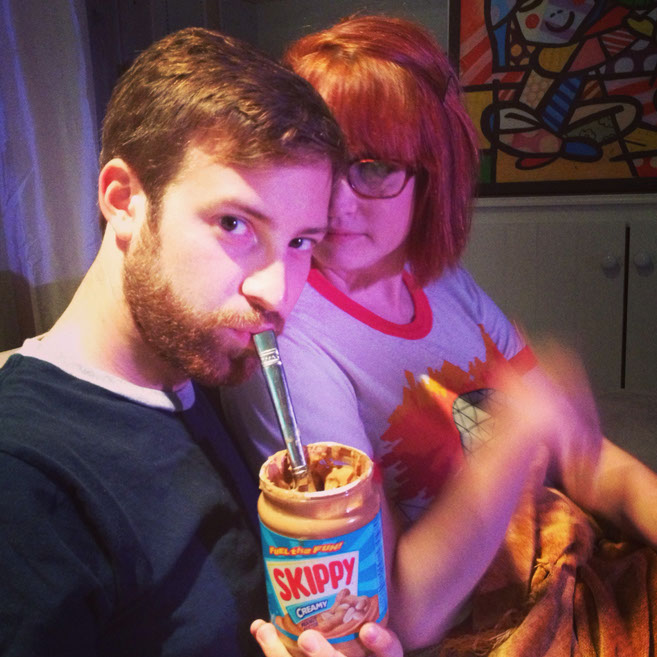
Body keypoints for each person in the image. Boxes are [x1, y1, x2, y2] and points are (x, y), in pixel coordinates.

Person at [220, 14, 657, 652]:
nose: (337, 201)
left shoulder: (443, 284)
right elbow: (400, 613)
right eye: (320, 161)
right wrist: (517, 438)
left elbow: (581, 455)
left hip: (560, 551)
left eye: (373, 167)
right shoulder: (287, 340)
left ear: (433, 176)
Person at [0, 26, 404, 657]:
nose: (278, 290)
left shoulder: (197, 368)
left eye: (301, 241)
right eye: (234, 223)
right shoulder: (25, 478)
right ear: (124, 200)